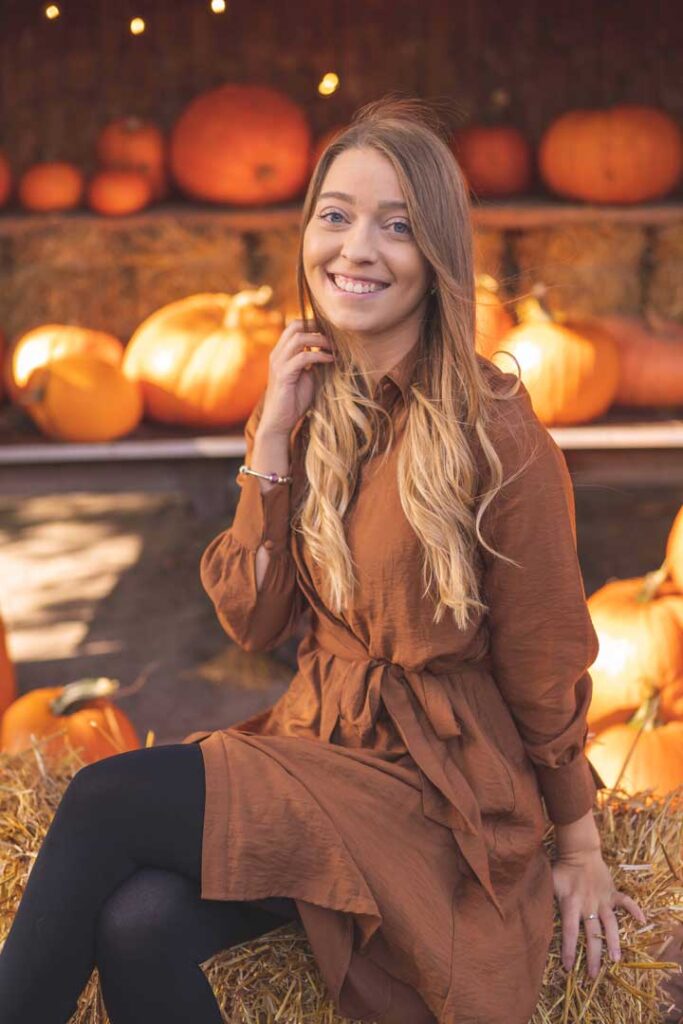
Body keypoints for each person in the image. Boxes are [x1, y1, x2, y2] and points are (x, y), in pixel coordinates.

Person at [0, 95, 645, 1024]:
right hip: (321, 748)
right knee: (141, 923)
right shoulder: (318, 409)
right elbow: (252, 622)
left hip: (431, 792)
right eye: (335, 216)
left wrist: (577, 847)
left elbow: (546, 660)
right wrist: (269, 436)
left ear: (438, 258)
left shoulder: (497, 436)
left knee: (105, 797)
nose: (355, 248)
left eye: (395, 226)